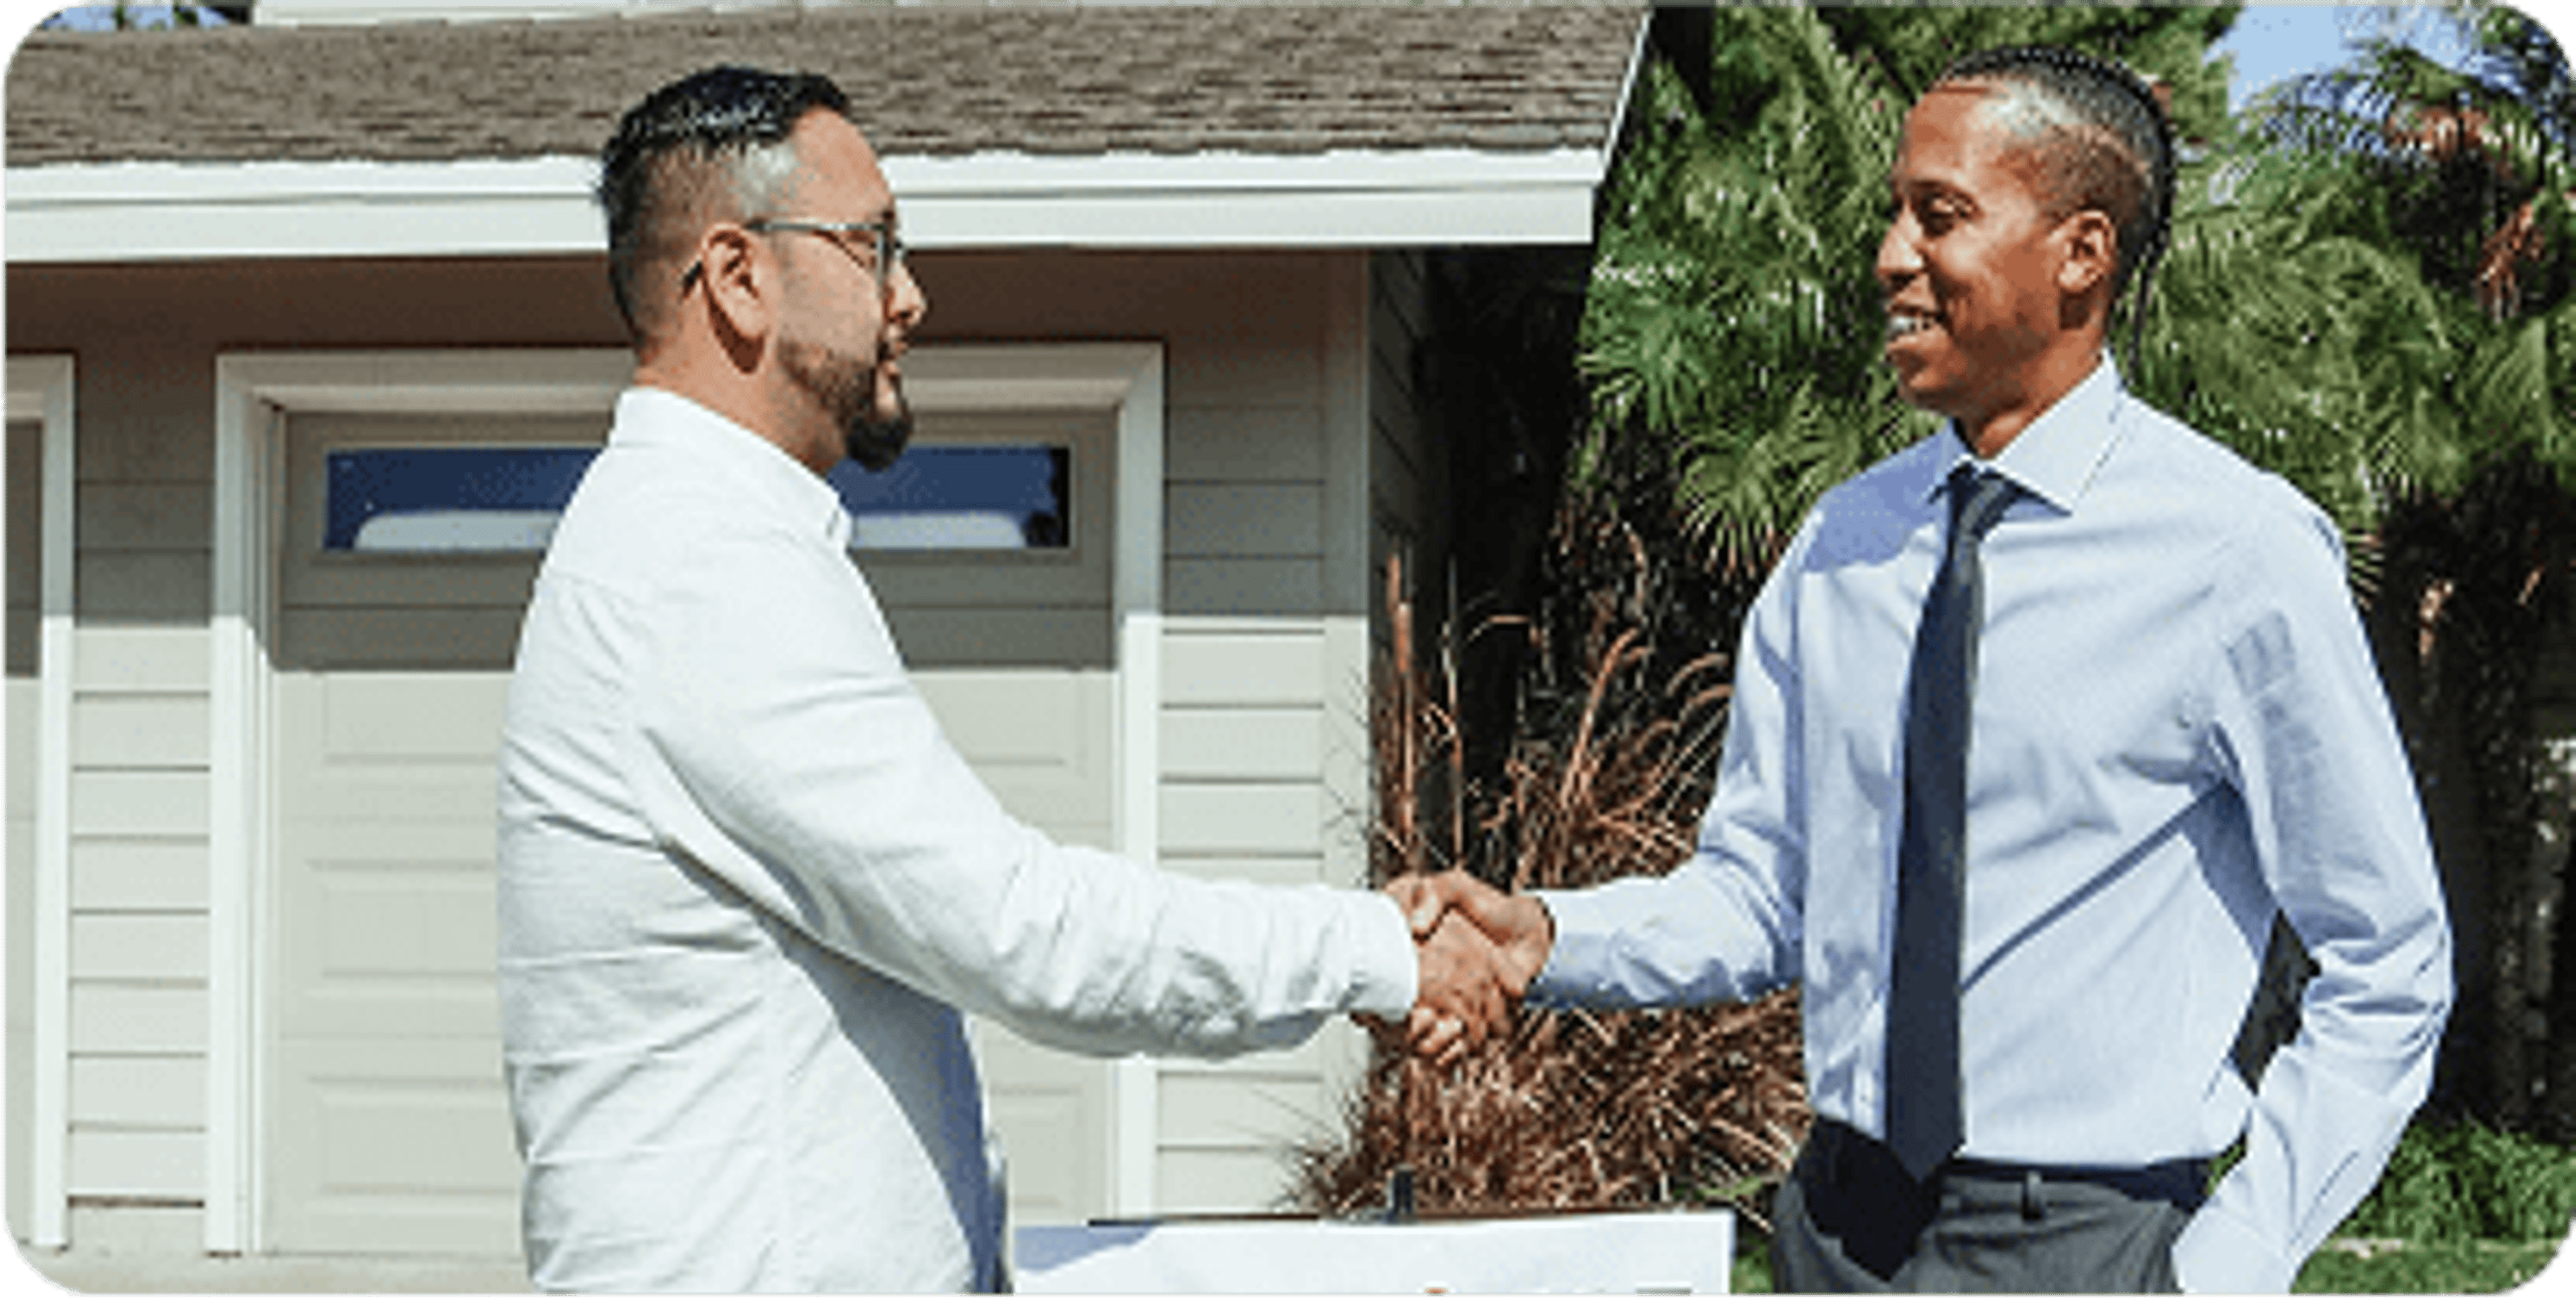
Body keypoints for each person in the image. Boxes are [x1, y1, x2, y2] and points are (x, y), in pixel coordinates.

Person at [1397, 46, 2452, 1296]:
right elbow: (1760, 896)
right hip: (1837, 1228)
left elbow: (2389, 958)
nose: (1893, 254)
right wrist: (1545, 937)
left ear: (2082, 253)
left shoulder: (2239, 553)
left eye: (1939, 215)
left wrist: (2230, 1260)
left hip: (2091, 1246)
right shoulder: (1841, 545)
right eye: (1895, 212)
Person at [495, 66, 1508, 1294]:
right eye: (873, 246)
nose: (910, 297)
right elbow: (1018, 928)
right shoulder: (699, 568)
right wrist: (1373, 950)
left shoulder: (688, 542)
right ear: (738, 276)